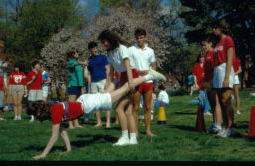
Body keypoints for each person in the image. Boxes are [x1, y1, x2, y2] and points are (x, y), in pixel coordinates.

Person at [27, 68, 166, 160]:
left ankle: (149, 76)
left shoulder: (55, 113)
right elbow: (62, 132)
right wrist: (69, 149)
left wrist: (43, 154)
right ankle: (118, 78)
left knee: (124, 89)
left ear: (40, 113)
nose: (38, 118)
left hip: (88, 104)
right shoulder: (55, 110)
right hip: (85, 101)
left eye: (36, 116)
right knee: (111, 93)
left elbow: (54, 136)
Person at [98, 30, 140, 146]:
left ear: (111, 39)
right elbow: (111, 73)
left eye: (104, 41)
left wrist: (131, 84)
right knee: (127, 111)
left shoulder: (123, 49)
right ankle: (133, 139)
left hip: (132, 77)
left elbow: (128, 67)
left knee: (118, 109)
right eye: (102, 42)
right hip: (123, 79)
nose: (104, 44)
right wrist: (106, 89)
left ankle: (124, 137)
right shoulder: (111, 53)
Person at [129, 28, 157, 137]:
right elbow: (129, 67)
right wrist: (139, 71)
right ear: (135, 38)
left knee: (148, 107)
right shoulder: (130, 50)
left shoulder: (150, 51)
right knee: (135, 107)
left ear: (145, 37)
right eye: (137, 38)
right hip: (136, 81)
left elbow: (153, 65)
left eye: (141, 38)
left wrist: (152, 74)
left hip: (148, 81)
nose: (139, 40)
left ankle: (148, 130)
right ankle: (135, 131)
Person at [212, 18, 236, 138]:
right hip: (217, 71)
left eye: (215, 28)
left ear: (221, 28)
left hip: (224, 69)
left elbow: (230, 59)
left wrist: (227, 77)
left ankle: (231, 128)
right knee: (221, 101)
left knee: (226, 100)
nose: (213, 30)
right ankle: (225, 126)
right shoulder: (218, 43)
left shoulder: (228, 40)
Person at [86, 41, 111, 128]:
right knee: (96, 103)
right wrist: (89, 86)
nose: (95, 50)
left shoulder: (103, 57)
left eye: (96, 48)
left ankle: (108, 122)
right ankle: (99, 122)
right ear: (90, 50)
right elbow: (89, 74)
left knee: (106, 101)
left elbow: (107, 69)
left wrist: (107, 82)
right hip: (93, 82)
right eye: (93, 49)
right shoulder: (89, 60)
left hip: (102, 81)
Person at [201, 35, 222, 133]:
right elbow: (205, 71)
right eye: (202, 45)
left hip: (214, 81)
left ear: (210, 44)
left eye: (205, 45)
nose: (203, 47)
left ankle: (218, 124)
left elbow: (215, 68)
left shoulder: (213, 53)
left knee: (216, 103)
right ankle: (214, 124)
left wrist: (213, 80)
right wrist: (203, 81)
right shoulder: (206, 56)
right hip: (208, 82)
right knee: (212, 104)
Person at [66, 48, 87, 129]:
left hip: (78, 86)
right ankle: (70, 124)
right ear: (72, 55)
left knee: (76, 106)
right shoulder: (71, 62)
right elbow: (76, 62)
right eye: (75, 53)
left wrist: (82, 87)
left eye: (77, 52)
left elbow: (80, 76)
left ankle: (76, 123)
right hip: (72, 86)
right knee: (71, 106)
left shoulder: (77, 63)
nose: (77, 53)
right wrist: (82, 63)